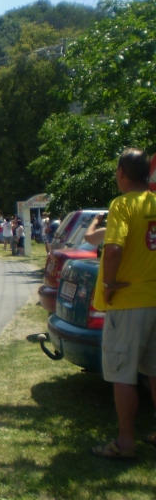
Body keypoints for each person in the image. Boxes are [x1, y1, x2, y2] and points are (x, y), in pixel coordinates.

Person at [91, 148, 156, 460]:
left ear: (121, 173)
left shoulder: (122, 204)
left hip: (129, 301)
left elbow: (113, 246)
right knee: (154, 371)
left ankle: (125, 443)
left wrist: (108, 283)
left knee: (122, 374)